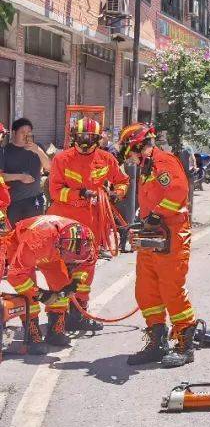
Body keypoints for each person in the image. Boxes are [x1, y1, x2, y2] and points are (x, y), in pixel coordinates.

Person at [119, 123, 197, 368]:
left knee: (171, 290)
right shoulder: (147, 166)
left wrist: (157, 214)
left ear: (139, 145)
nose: (130, 157)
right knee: (146, 290)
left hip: (171, 235)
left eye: (130, 150)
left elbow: (178, 191)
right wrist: (145, 217)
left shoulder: (164, 161)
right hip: (153, 235)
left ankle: (185, 345)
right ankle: (156, 342)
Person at [46, 117, 129, 331]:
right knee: (61, 269)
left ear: (97, 139)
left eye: (89, 138)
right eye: (81, 137)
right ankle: (58, 318)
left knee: (86, 268)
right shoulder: (61, 159)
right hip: (64, 223)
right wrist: (80, 193)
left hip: (93, 222)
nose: (85, 142)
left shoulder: (106, 159)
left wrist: (116, 194)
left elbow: (122, 180)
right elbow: (55, 192)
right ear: (74, 137)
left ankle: (79, 315)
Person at [1, 214, 97, 353]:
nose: (71, 263)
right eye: (69, 259)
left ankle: (55, 331)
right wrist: (40, 294)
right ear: (59, 244)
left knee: (62, 284)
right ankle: (32, 334)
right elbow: (15, 275)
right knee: (28, 292)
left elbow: (88, 263)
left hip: (53, 252)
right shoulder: (37, 241)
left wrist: (76, 281)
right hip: (21, 246)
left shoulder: (86, 240)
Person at [2, 118, 52, 223]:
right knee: (13, 234)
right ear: (14, 133)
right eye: (23, 132)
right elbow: (1, 176)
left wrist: (38, 151)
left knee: (33, 233)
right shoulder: (5, 151)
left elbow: (49, 168)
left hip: (35, 200)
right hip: (13, 202)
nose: (26, 135)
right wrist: (20, 176)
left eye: (29, 132)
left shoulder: (38, 148)